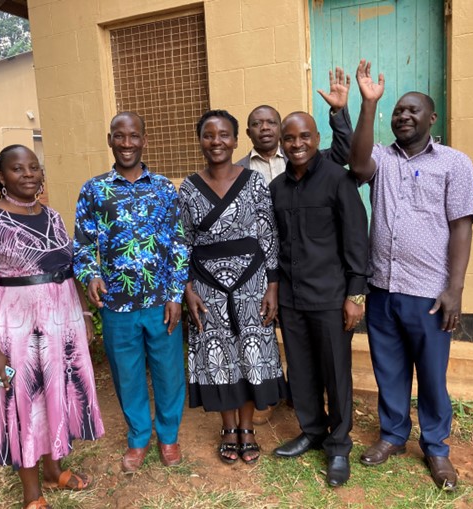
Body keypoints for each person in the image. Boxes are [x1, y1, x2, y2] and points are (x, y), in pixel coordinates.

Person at [349, 60, 473, 491]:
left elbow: (461, 224)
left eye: (412, 110)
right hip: (383, 289)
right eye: (397, 111)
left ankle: (437, 449)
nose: (403, 116)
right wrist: (368, 105)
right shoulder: (382, 160)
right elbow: (356, 165)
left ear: (432, 118)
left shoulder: (454, 163)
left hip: (429, 293)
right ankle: (391, 435)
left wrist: (455, 290)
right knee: (388, 370)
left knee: (431, 374)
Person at [0, 144, 103, 509]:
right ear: (1, 176)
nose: (28, 174)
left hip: (62, 322)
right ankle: (32, 494)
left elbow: (69, 269)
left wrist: (85, 316)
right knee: (23, 403)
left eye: (34, 167)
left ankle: (54, 471)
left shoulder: (54, 217)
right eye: (17, 168)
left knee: (55, 394)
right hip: (17, 327)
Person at [236, 67, 354, 425]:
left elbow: (346, 153)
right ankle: (290, 408)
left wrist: (339, 112)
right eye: (259, 123)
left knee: (323, 359)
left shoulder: (318, 168)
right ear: (250, 132)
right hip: (273, 277)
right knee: (286, 351)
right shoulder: (248, 175)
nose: (267, 128)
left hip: (320, 281)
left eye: (273, 121)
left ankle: (332, 432)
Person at [73, 112, 188, 473]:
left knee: (169, 371)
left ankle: (168, 436)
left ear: (144, 140)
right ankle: (138, 437)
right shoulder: (93, 190)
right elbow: (81, 245)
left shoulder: (165, 188)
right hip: (116, 305)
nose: (126, 143)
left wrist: (175, 295)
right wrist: (90, 275)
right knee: (127, 373)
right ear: (110, 140)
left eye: (133, 136)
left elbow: (180, 244)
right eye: (119, 137)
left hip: (160, 302)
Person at [179, 109, 286, 465]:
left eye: (224, 135)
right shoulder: (189, 188)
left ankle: (247, 428)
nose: (216, 142)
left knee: (250, 353)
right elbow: (184, 242)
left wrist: (272, 285)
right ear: (201, 141)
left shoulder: (254, 181)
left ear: (236, 140)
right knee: (219, 356)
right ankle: (227, 429)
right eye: (208, 135)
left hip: (251, 283)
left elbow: (268, 234)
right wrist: (188, 289)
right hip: (206, 286)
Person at [269, 112, 369, 487]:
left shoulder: (338, 180)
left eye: (304, 137)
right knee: (301, 369)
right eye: (289, 138)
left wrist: (355, 295)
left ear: (316, 138)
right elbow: (274, 243)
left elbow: (357, 239)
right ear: (282, 142)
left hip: (331, 297)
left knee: (335, 373)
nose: (297, 144)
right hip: (293, 298)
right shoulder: (277, 188)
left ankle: (339, 445)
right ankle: (312, 431)